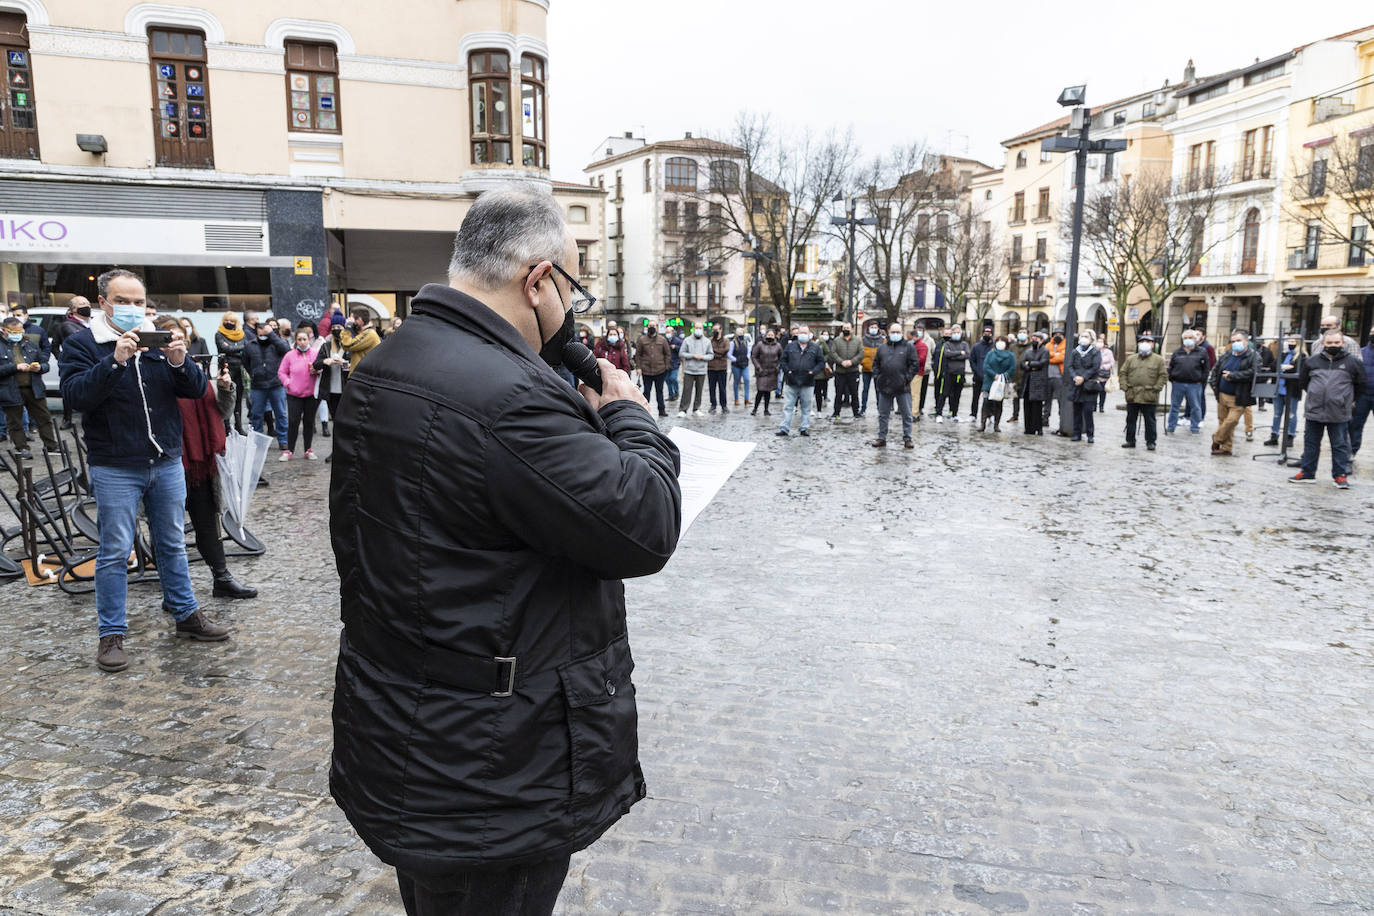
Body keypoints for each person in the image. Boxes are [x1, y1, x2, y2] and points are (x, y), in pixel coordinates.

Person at [328, 189, 681, 916]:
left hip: (410, 725)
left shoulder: (391, 361)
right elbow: (644, 525)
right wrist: (627, 418)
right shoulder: (512, 395)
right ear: (538, 281)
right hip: (493, 758)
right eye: (573, 287)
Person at [58, 269, 226, 673]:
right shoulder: (83, 343)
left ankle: (186, 615)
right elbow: (76, 396)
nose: (133, 309)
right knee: (115, 551)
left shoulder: (159, 339)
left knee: (171, 543)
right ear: (103, 302)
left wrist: (181, 361)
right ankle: (111, 633)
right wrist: (115, 361)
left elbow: (194, 389)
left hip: (165, 461)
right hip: (116, 465)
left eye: (138, 301)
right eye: (123, 301)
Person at [149, 316, 258, 601]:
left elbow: (221, 412)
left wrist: (224, 387)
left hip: (200, 462)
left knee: (208, 520)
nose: (175, 343)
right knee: (166, 529)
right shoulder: (147, 372)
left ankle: (221, 577)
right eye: (168, 338)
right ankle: (172, 591)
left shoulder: (193, 370)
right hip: (166, 460)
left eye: (180, 337)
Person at [1289, 328, 1366, 488]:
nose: (1333, 345)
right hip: (1314, 410)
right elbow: (1304, 382)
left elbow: (1361, 385)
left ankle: (1339, 476)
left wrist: (1345, 399)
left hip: (1339, 412)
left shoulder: (1353, 362)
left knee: (1339, 445)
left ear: (1343, 343)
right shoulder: (1312, 361)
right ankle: (1307, 473)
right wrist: (1315, 396)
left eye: (1337, 342)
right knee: (1311, 443)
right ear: (1323, 343)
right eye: (1329, 342)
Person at [1, 316, 59, 458]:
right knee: (15, 421)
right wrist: (15, 367)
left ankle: (51, 446)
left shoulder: (29, 343)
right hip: (10, 389)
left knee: (44, 418)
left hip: (33, 387)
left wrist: (40, 367)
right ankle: (22, 448)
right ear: (4, 331)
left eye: (21, 330)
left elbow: (45, 364)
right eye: (14, 332)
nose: (19, 334)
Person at [1208, 329, 1257, 456]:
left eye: (1239, 341)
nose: (1236, 343)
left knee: (1231, 422)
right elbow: (1216, 369)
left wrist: (1234, 376)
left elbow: (1254, 373)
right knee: (1223, 421)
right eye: (1233, 341)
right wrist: (1214, 384)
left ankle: (1216, 439)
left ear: (1246, 341)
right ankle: (1226, 448)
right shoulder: (1227, 354)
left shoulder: (1253, 356)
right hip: (1222, 394)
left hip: (1239, 396)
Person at [870, 323, 919, 448]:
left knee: (907, 414)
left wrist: (906, 379)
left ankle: (908, 438)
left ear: (902, 333)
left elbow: (914, 365)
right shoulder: (882, 348)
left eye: (897, 332)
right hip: (885, 386)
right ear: (888, 333)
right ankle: (882, 437)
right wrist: (878, 377)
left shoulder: (908, 347)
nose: (895, 334)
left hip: (902, 387)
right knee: (883, 415)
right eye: (893, 332)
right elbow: (875, 364)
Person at [244, 320, 290, 451]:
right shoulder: (250, 345)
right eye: (261, 333)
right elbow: (246, 363)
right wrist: (254, 373)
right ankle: (258, 441)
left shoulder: (278, 343)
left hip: (276, 384)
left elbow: (287, 351)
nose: (263, 335)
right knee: (256, 415)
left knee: (280, 414)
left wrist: (272, 335)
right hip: (258, 385)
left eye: (266, 333)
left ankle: (283, 440)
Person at [278, 327, 322, 460]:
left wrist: (317, 371)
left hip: (311, 394)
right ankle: (289, 450)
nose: (302, 342)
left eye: (304, 339)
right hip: (294, 394)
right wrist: (288, 383)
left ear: (309, 340)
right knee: (293, 421)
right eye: (299, 339)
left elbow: (323, 368)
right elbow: (281, 372)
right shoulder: (289, 355)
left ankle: (308, 449)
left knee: (309, 422)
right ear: (296, 341)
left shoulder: (315, 353)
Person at [1120, 332, 1166, 450]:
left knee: (1150, 420)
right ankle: (1130, 440)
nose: (1144, 344)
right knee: (1130, 419)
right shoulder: (1131, 359)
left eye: (1147, 342)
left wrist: (1157, 388)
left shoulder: (1158, 360)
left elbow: (1163, 376)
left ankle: (1151, 442)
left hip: (1149, 395)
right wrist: (1124, 386)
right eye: (1142, 342)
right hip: (1132, 394)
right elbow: (1123, 373)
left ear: (1152, 344)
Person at [776, 325, 825, 438]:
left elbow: (821, 362)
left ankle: (804, 428)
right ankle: (784, 428)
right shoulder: (790, 346)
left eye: (805, 332)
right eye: (800, 332)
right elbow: (783, 360)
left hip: (808, 381)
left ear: (809, 334)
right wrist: (787, 371)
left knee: (806, 407)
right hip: (791, 380)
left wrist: (813, 372)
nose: (802, 335)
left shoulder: (815, 348)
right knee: (788, 406)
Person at [54, 297, 93, 429]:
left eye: (87, 304)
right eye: (82, 304)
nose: (86, 306)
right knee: (71, 389)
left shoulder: (95, 323)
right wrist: (63, 359)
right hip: (75, 363)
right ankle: (67, 419)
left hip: (93, 362)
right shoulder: (67, 325)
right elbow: (54, 346)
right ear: (73, 309)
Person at [1263, 334, 1304, 448]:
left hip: (1291, 389)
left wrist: (1287, 368)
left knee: (1291, 414)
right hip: (1279, 388)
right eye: (1289, 341)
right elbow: (1273, 366)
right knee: (1277, 413)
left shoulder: (1302, 356)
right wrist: (1282, 366)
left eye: (1293, 341)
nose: (1290, 343)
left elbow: (1299, 371)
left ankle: (1290, 436)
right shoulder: (1283, 354)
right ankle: (1274, 435)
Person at [1166, 330, 1209, 436]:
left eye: (1190, 338)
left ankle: (1195, 426)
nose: (1188, 340)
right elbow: (1171, 367)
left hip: (1194, 384)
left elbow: (1206, 368)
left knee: (1195, 406)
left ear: (1195, 339)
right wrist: (1172, 378)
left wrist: (1201, 380)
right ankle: (1171, 426)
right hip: (1178, 383)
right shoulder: (1177, 352)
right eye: (1185, 338)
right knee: (1175, 406)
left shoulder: (1202, 352)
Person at [215, 312, 248, 435]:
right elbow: (225, 349)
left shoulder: (242, 334)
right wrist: (239, 348)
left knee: (239, 398)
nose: (229, 323)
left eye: (232, 321)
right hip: (226, 369)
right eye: (227, 320)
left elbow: (245, 347)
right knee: (226, 396)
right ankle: (227, 427)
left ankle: (239, 426)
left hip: (239, 369)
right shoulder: (219, 334)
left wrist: (232, 348)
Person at [1067, 330, 1102, 442]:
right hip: (1076, 385)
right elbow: (1070, 366)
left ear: (1091, 339)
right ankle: (1076, 433)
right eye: (1082, 336)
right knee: (1076, 411)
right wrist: (1075, 377)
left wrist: (1083, 377)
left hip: (1089, 385)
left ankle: (1090, 434)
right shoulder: (1075, 352)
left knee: (1088, 411)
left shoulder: (1095, 352)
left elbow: (1095, 367)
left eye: (1086, 336)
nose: (1084, 338)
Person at [978, 335, 1017, 433]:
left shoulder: (1011, 355)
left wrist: (1003, 376)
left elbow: (1012, 368)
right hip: (989, 383)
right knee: (986, 401)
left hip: (1003, 383)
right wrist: (994, 375)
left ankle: (996, 424)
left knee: (999, 403)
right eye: (998, 341)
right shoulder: (990, 354)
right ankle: (982, 424)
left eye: (1002, 341)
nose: (1000, 343)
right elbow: (986, 366)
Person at [933, 326, 971, 422]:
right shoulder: (948, 344)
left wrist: (954, 355)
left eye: (958, 332)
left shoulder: (964, 344)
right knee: (944, 394)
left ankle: (955, 413)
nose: (956, 334)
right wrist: (959, 353)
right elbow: (947, 354)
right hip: (949, 373)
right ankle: (939, 413)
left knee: (957, 395)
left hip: (960, 373)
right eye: (954, 332)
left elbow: (967, 355)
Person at [635, 322, 671, 418]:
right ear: (647, 327)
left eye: (653, 326)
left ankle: (662, 410)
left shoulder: (662, 340)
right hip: (646, 370)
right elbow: (638, 355)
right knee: (646, 391)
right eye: (650, 326)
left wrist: (666, 366)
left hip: (660, 370)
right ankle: (644, 411)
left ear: (657, 327)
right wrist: (638, 367)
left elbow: (667, 354)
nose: (652, 327)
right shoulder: (642, 340)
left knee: (660, 391)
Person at [828, 323, 863, 419]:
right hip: (840, 371)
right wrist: (841, 361)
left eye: (848, 328)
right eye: (844, 328)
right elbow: (833, 353)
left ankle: (856, 412)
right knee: (838, 393)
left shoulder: (857, 340)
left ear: (852, 329)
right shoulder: (837, 340)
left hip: (853, 371)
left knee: (854, 393)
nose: (846, 330)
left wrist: (852, 362)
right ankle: (836, 412)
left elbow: (861, 353)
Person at [1021, 331, 1050, 436]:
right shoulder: (1028, 351)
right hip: (1028, 380)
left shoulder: (1045, 351)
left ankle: (1037, 427)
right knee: (1027, 405)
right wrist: (1029, 366)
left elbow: (1042, 363)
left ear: (1041, 340)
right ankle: (1028, 428)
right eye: (1033, 338)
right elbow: (1022, 363)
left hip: (1038, 381)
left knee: (1037, 407)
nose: (1034, 340)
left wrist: (1030, 364)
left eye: (1036, 338)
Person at [1351, 327, 1374, 458]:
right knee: (1355, 425)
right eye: (1371, 332)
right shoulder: (1361, 352)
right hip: (1363, 395)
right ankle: (1351, 452)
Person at [677, 325, 710, 417]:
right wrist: (692, 355)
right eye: (696, 328)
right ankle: (683, 409)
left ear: (702, 329)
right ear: (694, 329)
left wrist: (703, 357)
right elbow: (681, 353)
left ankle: (696, 408)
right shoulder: (687, 340)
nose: (698, 330)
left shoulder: (707, 341)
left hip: (701, 370)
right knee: (686, 390)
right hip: (689, 370)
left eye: (700, 328)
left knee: (699, 391)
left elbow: (711, 355)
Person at [750, 330, 782, 416]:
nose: (770, 336)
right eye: (769, 335)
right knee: (760, 390)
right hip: (762, 371)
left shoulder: (778, 346)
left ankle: (766, 409)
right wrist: (758, 367)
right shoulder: (760, 344)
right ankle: (755, 409)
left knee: (768, 391)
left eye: (772, 335)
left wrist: (778, 367)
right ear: (766, 335)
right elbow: (754, 356)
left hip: (772, 372)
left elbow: (781, 358)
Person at [968, 326, 994, 420]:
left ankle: (990, 414)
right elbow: (972, 360)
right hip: (978, 376)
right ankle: (973, 414)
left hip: (990, 377)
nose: (987, 334)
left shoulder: (994, 347)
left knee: (989, 398)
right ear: (982, 333)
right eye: (985, 332)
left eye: (989, 332)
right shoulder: (976, 346)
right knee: (975, 397)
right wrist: (977, 372)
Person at [859, 322, 883, 417]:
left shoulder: (882, 340)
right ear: (869, 328)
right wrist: (863, 362)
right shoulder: (864, 340)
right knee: (865, 389)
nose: (873, 329)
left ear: (878, 329)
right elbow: (860, 353)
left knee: (878, 390)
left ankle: (880, 408)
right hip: (866, 369)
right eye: (872, 327)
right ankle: (863, 408)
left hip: (878, 370)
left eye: (875, 327)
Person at [1044, 328, 1066, 429]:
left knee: (1060, 399)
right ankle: (1045, 418)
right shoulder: (1048, 345)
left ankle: (1062, 420)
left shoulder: (1066, 344)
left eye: (1060, 334)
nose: (1058, 336)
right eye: (1056, 334)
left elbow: (1062, 357)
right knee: (1047, 399)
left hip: (1059, 377)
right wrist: (1054, 355)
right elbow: (1044, 356)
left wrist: (1051, 357)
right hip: (1047, 376)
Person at [706, 326, 730, 413]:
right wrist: (719, 353)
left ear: (721, 330)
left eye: (717, 329)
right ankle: (713, 404)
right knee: (712, 388)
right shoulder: (710, 340)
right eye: (714, 329)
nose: (715, 331)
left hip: (722, 368)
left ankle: (724, 405)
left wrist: (714, 352)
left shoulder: (726, 340)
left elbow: (726, 350)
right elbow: (708, 351)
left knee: (722, 388)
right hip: (711, 368)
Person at [1007, 329, 1029, 423]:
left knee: (1026, 398)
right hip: (1014, 376)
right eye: (1020, 332)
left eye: (1024, 333)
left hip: (1026, 376)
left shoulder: (1031, 347)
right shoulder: (1012, 346)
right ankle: (1015, 415)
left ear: (1028, 335)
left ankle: (1027, 416)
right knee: (1015, 398)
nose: (1022, 334)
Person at [729, 327, 751, 407]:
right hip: (736, 365)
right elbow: (729, 354)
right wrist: (735, 359)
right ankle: (736, 399)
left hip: (745, 364)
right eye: (739, 333)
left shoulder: (746, 342)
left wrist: (747, 357)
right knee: (736, 382)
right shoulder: (733, 343)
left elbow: (749, 351)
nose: (741, 334)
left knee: (747, 380)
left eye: (742, 333)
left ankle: (747, 398)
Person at [1095, 336, 1115, 413]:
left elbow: (1112, 362)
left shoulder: (1108, 352)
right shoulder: (1094, 351)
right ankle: (1094, 406)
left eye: (1101, 341)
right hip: (1095, 374)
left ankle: (1101, 406)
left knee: (1103, 391)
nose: (1099, 343)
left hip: (1104, 374)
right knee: (1094, 390)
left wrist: (1104, 367)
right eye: (1098, 341)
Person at [665, 325, 682, 401]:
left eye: (668, 332)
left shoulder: (677, 340)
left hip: (675, 363)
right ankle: (671, 395)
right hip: (666, 364)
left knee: (673, 378)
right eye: (666, 332)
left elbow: (682, 350)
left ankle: (677, 393)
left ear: (672, 332)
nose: (667, 333)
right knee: (667, 380)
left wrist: (676, 347)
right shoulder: (664, 340)